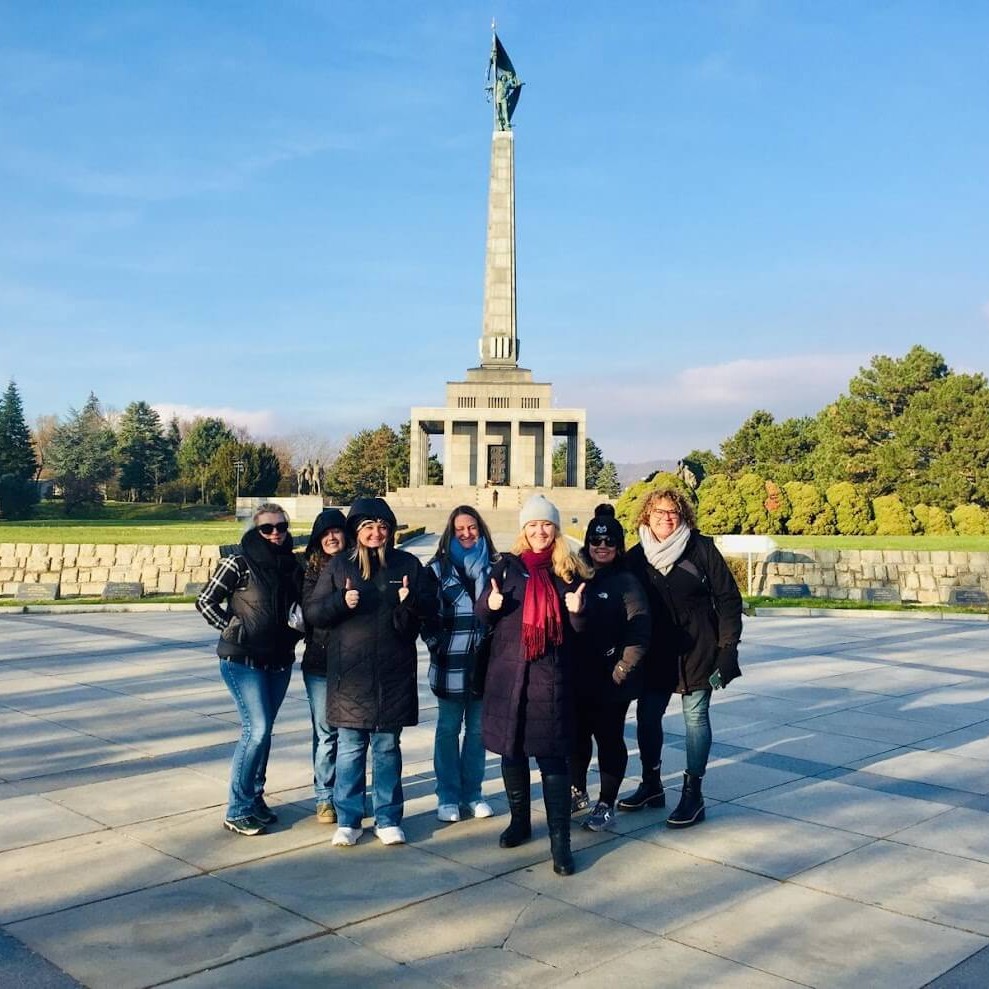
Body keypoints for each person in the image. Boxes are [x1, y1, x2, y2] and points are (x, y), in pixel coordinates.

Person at [476, 494, 592, 876]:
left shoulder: (569, 573)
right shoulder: (506, 569)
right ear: (523, 530)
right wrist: (490, 605)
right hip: (509, 676)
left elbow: (581, 635)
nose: (540, 531)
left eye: (546, 525)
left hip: (550, 678)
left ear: (555, 529)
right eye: (532, 525)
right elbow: (484, 615)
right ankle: (520, 822)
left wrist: (577, 615)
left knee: (552, 759)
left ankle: (560, 842)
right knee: (512, 753)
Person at [303, 497, 426, 848]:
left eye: (382, 527)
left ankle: (388, 818)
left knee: (387, 748)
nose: (376, 533)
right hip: (349, 676)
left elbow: (430, 609)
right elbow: (314, 612)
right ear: (357, 532)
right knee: (351, 748)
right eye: (368, 527)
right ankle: (349, 818)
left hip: (393, 673)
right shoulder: (340, 566)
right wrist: (341, 603)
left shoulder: (407, 563)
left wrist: (410, 601)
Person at [620, 487, 743, 828]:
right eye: (659, 512)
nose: (666, 518)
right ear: (647, 515)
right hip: (654, 651)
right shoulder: (636, 556)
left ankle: (693, 792)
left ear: (683, 515)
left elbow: (729, 599)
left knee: (695, 718)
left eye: (673, 512)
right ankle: (651, 783)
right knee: (647, 716)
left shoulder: (701, 548)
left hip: (699, 647)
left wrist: (728, 648)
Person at [197, 503, 303, 836]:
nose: (275, 533)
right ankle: (238, 808)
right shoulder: (238, 561)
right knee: (255, 730)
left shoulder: (291, 564)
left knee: (265, 731)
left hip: (279, 658)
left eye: (281, 527)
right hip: (242, 660)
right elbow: (206, 601)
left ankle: (255, 798)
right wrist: (231, 627)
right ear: (255, 530)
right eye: (267, 528)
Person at [570, 505, 650, 832]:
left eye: (609, 542)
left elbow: (640, 630)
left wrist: (622, 668)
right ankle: (577, 789)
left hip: (612, 679)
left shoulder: (627, 581)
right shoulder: (575, 574)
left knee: (609, 739)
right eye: (596, 541)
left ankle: (606, 801)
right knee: (575, 738)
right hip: (578, 674)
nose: (602, 547)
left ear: (618, 545)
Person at [423, 506, 498, 823]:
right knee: (448, 730)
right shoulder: (437, 569)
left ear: (481, 530)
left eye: (472, 528)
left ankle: (474, 794)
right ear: (450, 533)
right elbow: (425, 616)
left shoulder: (496, 567)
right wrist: (436, 644)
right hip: (450, 664)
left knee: (478, 732)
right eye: (460, 529)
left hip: (485, 667)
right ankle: (448, 796)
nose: (467, 534)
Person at [300, 508, 348, 825]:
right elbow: (309, 613)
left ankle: (347, 793)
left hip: (353, 662)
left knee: (352, 734)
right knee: (326, 733)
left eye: (336, 531)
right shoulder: (309, 572)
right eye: (325, 533)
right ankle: (325, 796)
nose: (331, 537)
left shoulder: (360, 566)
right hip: (319, 662)